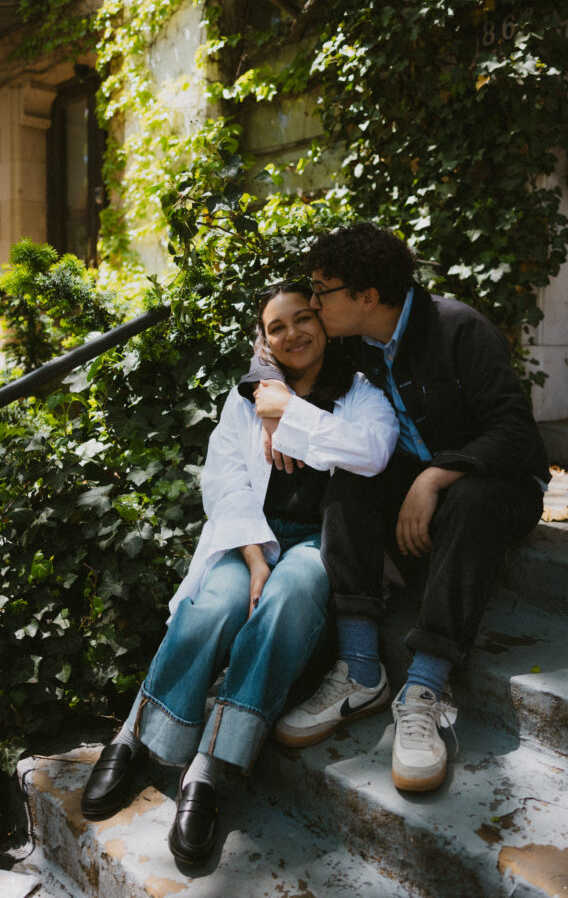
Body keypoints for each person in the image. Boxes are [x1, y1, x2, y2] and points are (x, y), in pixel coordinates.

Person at [80, 281, 399, 863]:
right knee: (216, 604)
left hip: (320, 546)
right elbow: (223, 480)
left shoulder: (359, 393)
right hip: (252, 536)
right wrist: (254, 557)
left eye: (304, 319)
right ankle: (133, 734)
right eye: (277, 327)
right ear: (265, 339)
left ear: (324, 325)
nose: (293, 334)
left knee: (291, 598)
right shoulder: (246, 396)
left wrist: (289, 413)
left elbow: (372, 451)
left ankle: (208, 767)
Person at [256, 223, 550, 793]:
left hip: (498, 486)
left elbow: (515, 432)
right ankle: (362, 668)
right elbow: (274, 346)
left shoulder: (458, 327)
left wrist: (436, 476)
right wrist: (272, 396)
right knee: (357, 467)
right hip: (419, 478)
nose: (313, 304)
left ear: (366, 296)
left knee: (469, 494)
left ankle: (425, 689)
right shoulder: (355, 339)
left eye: (322, 291)